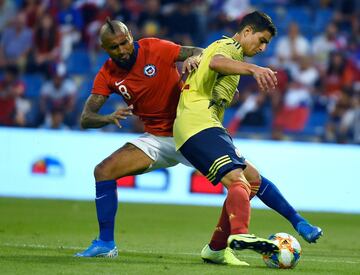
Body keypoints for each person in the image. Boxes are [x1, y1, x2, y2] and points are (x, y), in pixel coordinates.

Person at [75, 18, 322, 263]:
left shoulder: (154, 48)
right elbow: (86, 118)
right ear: (105, 50)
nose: (123, 49)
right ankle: (106, 243)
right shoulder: (107, 74)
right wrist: (107, 118)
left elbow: (205, 54)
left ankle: (226, 245)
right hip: (161, 138)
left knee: (250, 180)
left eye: (125, 42)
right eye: (115, 47)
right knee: (104, 171)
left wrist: (195, 59)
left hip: (191, 127)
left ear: (131, 37)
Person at [173, 11, 322, 266]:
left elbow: (213, 69)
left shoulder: (232, 55)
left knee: (253, 180)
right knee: (237, 181)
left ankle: (219, 247)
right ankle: (241, 235)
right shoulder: (227, 45)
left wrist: (230, 92)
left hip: (203, 124)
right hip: (197, 124)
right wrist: (253, 69)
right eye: (261, 40)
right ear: (247, 32)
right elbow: (216, 61)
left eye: (266, 44)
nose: (262, 48)